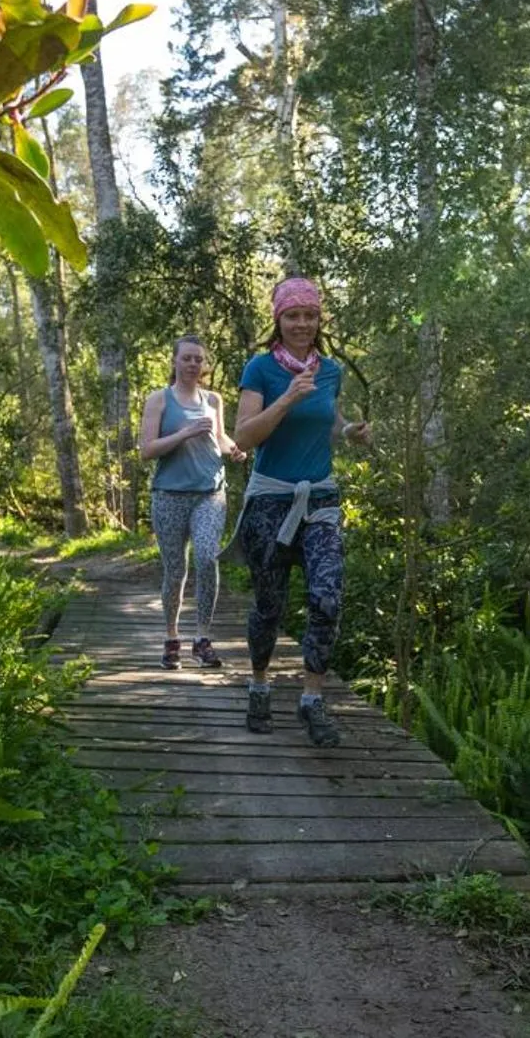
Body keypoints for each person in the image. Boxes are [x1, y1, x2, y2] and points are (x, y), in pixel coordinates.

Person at [233, 277, 372, 746]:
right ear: (278, 319)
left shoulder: (329, 371)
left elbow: (325, 419)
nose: (302, 324)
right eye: (293, 315)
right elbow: (244, 437)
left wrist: (348, 429)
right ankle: (258, 685)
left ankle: (312, 700)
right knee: (269, 607)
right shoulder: (260, 370)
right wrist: (288, 397)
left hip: (321, 500)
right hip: (270, 499)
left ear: (319, 320)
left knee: (328, 597)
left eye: (310, 316)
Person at [137, 334, 244, 669]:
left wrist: (235, 449)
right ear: (175, 361)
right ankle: (172, 639)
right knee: (175, 570)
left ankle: (202, 638)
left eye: (199, 359)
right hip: (168, 495)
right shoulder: (159, 400)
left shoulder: (213, 400)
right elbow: (146, 450)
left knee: (208, 556)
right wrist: (184, 433)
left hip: (210, 492)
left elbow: (221, 437)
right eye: (187, 358)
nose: (193, 364)